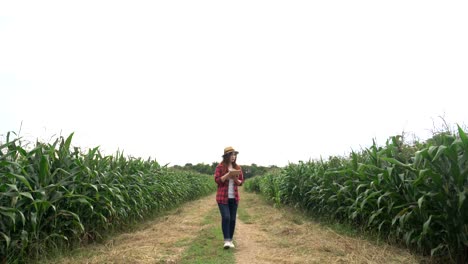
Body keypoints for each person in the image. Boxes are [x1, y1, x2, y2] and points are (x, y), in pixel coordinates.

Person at [214, 146, 244, 249]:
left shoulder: (238, 168)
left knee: (232, 220)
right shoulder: (219, 167)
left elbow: (240, 183)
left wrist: (234, 177)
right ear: (226, 156)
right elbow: (217, 180)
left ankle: (230, 240)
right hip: (222, 198)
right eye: (231, 154)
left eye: (235, 155)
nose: (233, 156)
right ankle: (226, 240)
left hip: (234, 198)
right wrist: (228, 174)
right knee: (226, 217)